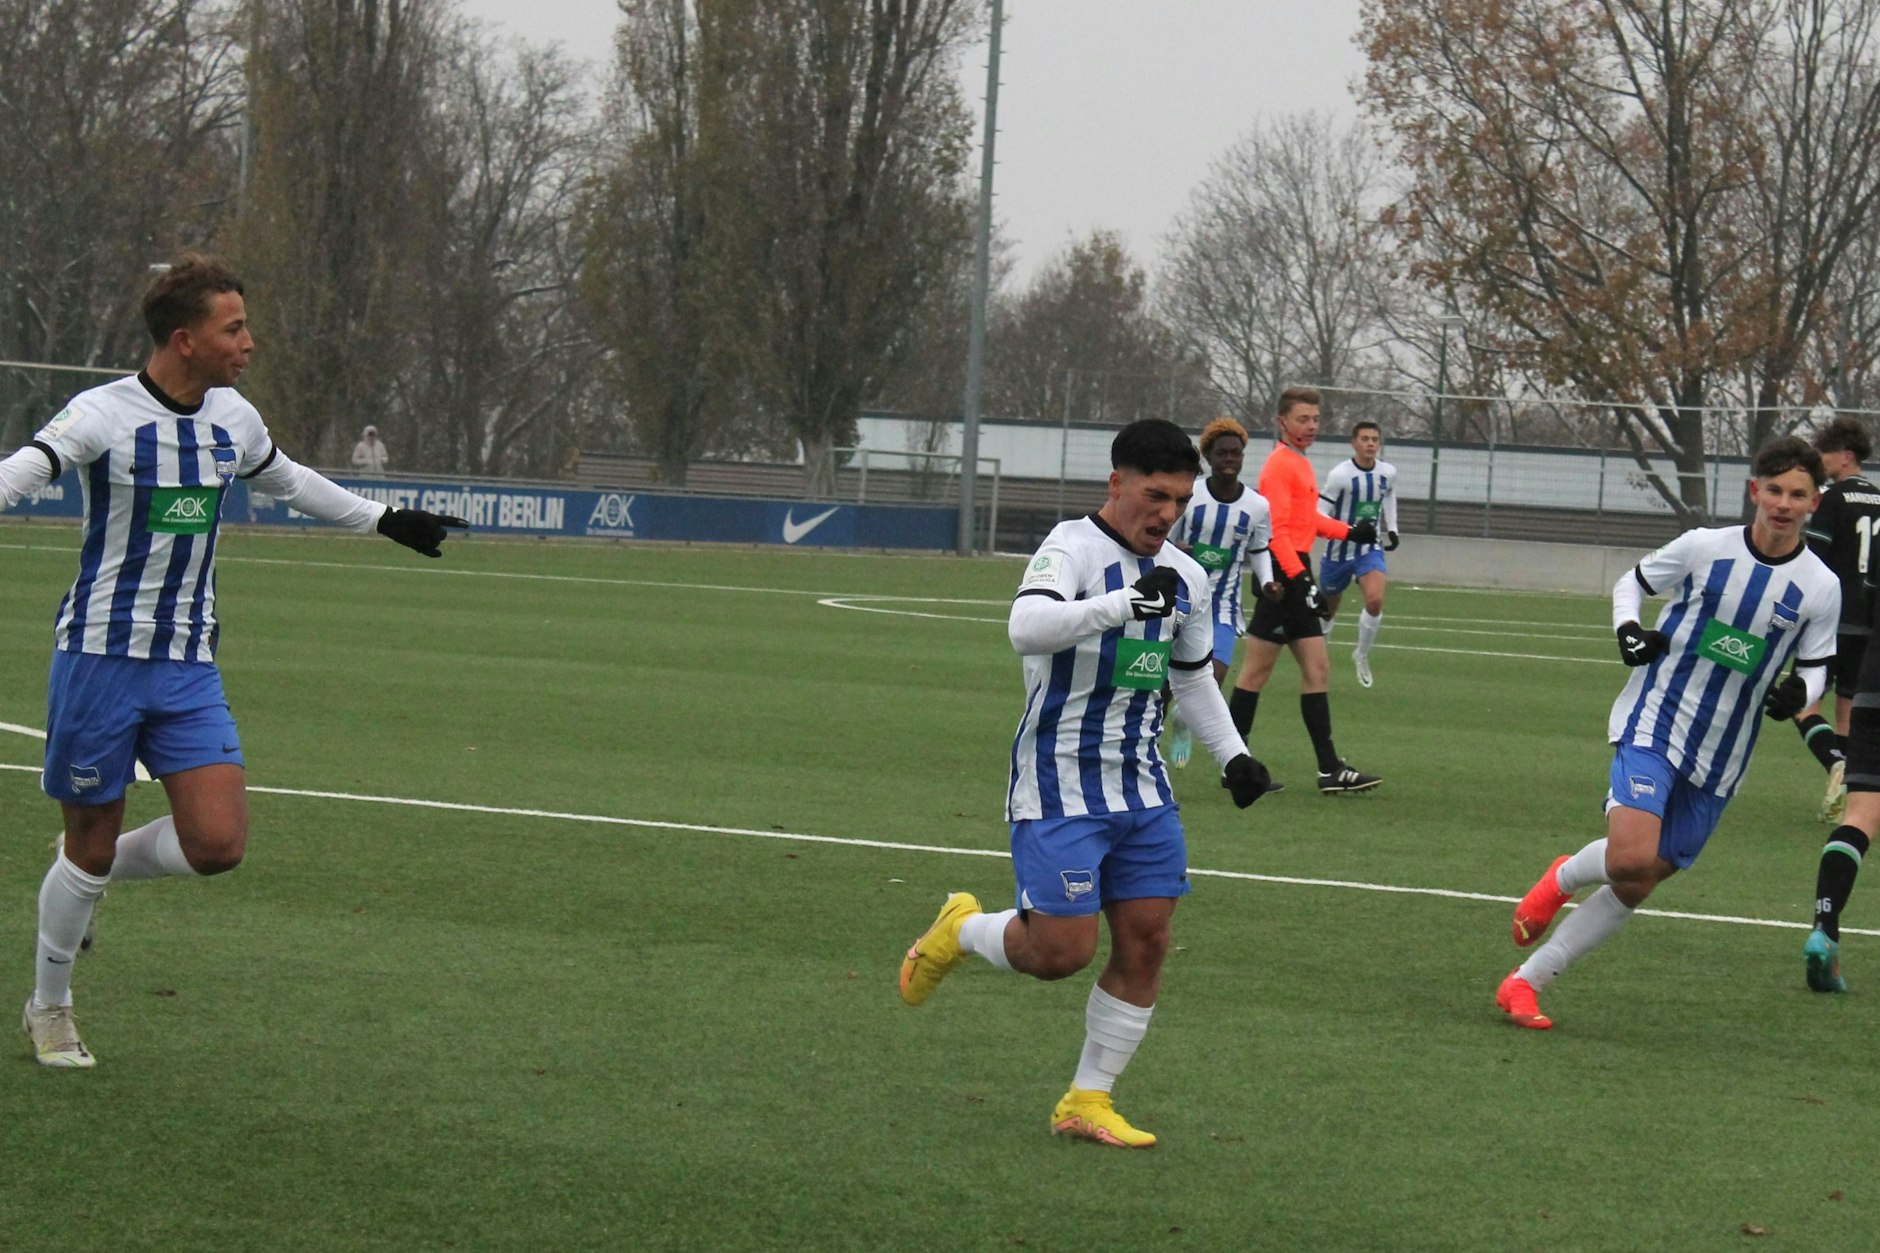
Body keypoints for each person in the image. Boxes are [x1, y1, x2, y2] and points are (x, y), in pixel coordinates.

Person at [0, 253, 467, 1067]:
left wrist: (384, 518)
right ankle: (50, 1006)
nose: (248, 341)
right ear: (185, 340)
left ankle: (87, 870)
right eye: (234, 327)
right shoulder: (103, 416)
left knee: (217, 844)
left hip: (187, 663)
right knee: (92, 839)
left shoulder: (233, 419)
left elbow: (287, 478)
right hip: (100, 659)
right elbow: (32, 464)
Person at [896, 418, 1272, 1148]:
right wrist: (1123, 604)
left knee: (1149, 939)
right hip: (1059, 780)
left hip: (1143, 787)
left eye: (1180, 500)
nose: (1166, 514)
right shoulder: (1070, 546)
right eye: (1155, 495)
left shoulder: (1188, 576)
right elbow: (1026, 627)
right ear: (1117, 484)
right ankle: (961, 930)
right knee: (1059, 954)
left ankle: (1087, 1097)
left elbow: (1190, 680)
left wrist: (1232, 755)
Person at [1497, 436, 1839, 1030]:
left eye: (1798, 495)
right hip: (1657, 717)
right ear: (1755, 492)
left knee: (1641, 880)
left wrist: (1799, 695)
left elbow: (1815, 669)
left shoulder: (1819, 585)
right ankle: (1562, 877)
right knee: (1630, 856)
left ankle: (1525, 984)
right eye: (1775, 491)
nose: (1784, 504)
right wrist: (1629, 630)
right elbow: (1631, 582)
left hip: (1724, 755)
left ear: (1814, 503)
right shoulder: (1706, 547)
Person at [1227, 387, 1381, 794]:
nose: (1311, 426)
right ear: (1283, 422)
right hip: (1283, 573)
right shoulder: (1280, 466)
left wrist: (1349, 531)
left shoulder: (1298, 463)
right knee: (1263, 671)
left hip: (1293, 570)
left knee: (1305, 669)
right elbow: (1276, 532)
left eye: (1315, 419)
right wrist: (1301, 582)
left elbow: (1305, 519)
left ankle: (1324, 769)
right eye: (1302, 419)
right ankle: (1240, 764)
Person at [1164, 417, 1277, 770]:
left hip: (1223, 607)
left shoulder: (1257, 507)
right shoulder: (1190, 495)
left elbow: (1259, 549)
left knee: (1213, 677)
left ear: (1243, 457)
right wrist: (1179, 549)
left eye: (1236, 453)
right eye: (1222, 453)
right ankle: (1149, 737)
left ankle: (1185, 719)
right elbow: (1165, 538)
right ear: (1209, 457)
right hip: (1181, 601)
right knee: (1162, 682)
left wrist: (1269, 582)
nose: (1229, 458)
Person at [1796, 416, 1880, 822]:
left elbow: (1814, 560)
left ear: (1846, 457)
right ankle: (1848, 796)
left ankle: (1836, 767)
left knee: (1805, 705)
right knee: (1847, 710)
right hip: (1870, 622)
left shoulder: (1832, 499)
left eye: (1825, 453)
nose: (1820, 460)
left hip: (1834, 619)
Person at [1317, 420, 1400, 688]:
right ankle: (1318, 660)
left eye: (1375, 439)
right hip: (1338, 549)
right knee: (1327, 611)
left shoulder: (1387, 473)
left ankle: (1361, 654)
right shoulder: (1340, 475)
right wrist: (1346, 530)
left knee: (1375, 600)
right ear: (1354, 443)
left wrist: (1393, 528)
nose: (1370, 444)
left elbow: (1389, 497)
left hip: (1369, 548)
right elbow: (1319, 513)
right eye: (1364, 439)